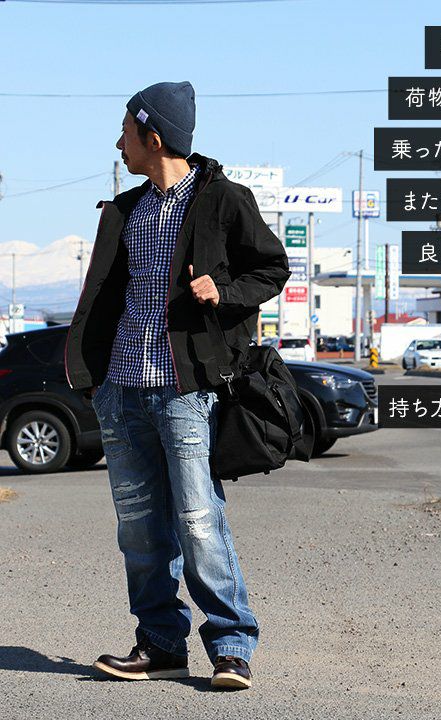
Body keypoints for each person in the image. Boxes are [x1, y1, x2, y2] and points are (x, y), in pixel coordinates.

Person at [64, 81, 291, 690]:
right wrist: (94, 379)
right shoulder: (127, 209)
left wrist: (224, 291)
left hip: (185, 392)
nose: (119, 144)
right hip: (121, 391)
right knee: (139, 529)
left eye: (126, 133)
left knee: (197, 521)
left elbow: (272, 267)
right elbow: (106, 297)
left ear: (154, 136)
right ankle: (161, 644)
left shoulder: (224, 200)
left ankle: (231, 645)